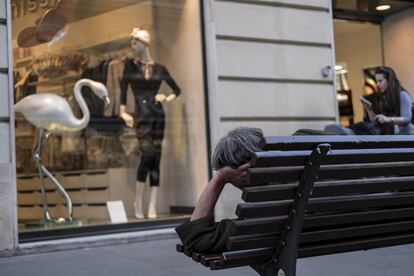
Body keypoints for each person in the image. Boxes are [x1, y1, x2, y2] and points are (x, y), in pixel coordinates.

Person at [119, 28, 181, 219]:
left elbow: (176, 90)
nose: (132, 46)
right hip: (141, 117)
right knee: (148, 154)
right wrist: (122, 112)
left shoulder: (160, 69)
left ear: (144, 42)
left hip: (157, 116)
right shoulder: (130, 66)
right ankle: (138, 199)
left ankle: (152, 203)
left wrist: (165, 97)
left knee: (156, 159)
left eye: (134, 42)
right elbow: (123, 91)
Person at [175, 127, 264, 253]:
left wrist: (220, 177)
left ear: (243, 175)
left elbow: (197, 238)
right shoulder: (299, 178)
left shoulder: (262, 218)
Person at [325, 66, 414, 135]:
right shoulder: (382, 97)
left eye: (380, 81)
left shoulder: (402, 95)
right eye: (376, 81)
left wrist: (388, 119)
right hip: (386, 130)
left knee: (368, 127)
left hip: (403, 133)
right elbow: (375, 120)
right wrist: (369, 109)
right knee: (366, 125)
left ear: (389, 81)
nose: (377, 84)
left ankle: (347, 131)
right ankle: (347, 130)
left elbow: (406, 119)